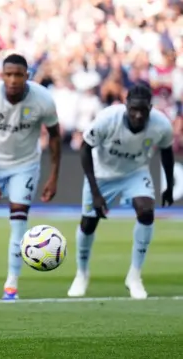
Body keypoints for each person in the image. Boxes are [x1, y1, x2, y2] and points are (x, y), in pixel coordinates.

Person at [68, 84, 174, 299]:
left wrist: (169, 186)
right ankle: (82, 273)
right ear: (126, 105)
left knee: (146, 211)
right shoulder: (107, 119)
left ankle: (134, 276)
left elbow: (167, 151)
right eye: (133, 109)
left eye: (143, 110)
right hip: (101, 174)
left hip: (135, 172)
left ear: (150, 108)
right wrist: (96, 193)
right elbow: (85, 148)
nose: (137, 114)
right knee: (88, 224)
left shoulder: (161, 125)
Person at [0, 54, 62, 300]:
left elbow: (55, 136)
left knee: (19, 222)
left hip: (26, 165)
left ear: (27, 76)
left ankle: (11, 284)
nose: (13, 80)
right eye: (8, 74)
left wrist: (53, 176)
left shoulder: (42, 100)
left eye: (18, 75)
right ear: (2, 76)